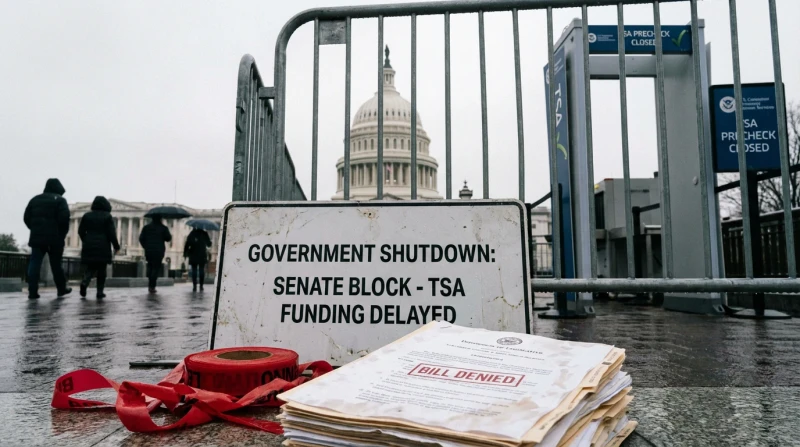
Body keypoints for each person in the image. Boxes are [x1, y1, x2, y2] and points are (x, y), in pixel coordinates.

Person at [24, 178, 71, 299]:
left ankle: (32, 291)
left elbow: (26, 217)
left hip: (37, 238)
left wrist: (35, 229)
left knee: (34, 263)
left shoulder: (35, 199)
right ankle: (61, 289)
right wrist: (62, 235)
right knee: (56, 265)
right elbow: (64, 219)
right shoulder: (60, 200)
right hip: (55, 239)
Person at [78, 196, 120, 299]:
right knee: (102, 269)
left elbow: (80, 231)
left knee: (90, 267)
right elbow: (111, 233)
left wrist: (86, 240)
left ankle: (84, 283)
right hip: (103, 246)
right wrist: (116, 246)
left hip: (89, 245)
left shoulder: (87, 216)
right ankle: (99, 292)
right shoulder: (107, 216)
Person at [139, 216, 172, 293]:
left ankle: (150, 284)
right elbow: (168, 238)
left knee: (150, 266)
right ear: (160, 219)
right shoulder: (163, 228)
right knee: (155, 268)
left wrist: (145, 246)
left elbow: (141, 238)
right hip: (158, 251)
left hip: (149, 250)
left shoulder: (146, 227)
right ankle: (152, 286)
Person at [184, 227, 212, 292]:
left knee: (194, 270)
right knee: (201, 270)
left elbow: (187, 244)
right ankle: (201, 286)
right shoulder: (204, 233)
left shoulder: (192, 233)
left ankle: (194, 286)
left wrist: (185, 253)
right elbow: (209, 244)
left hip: (193, 254)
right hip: (202, 254)